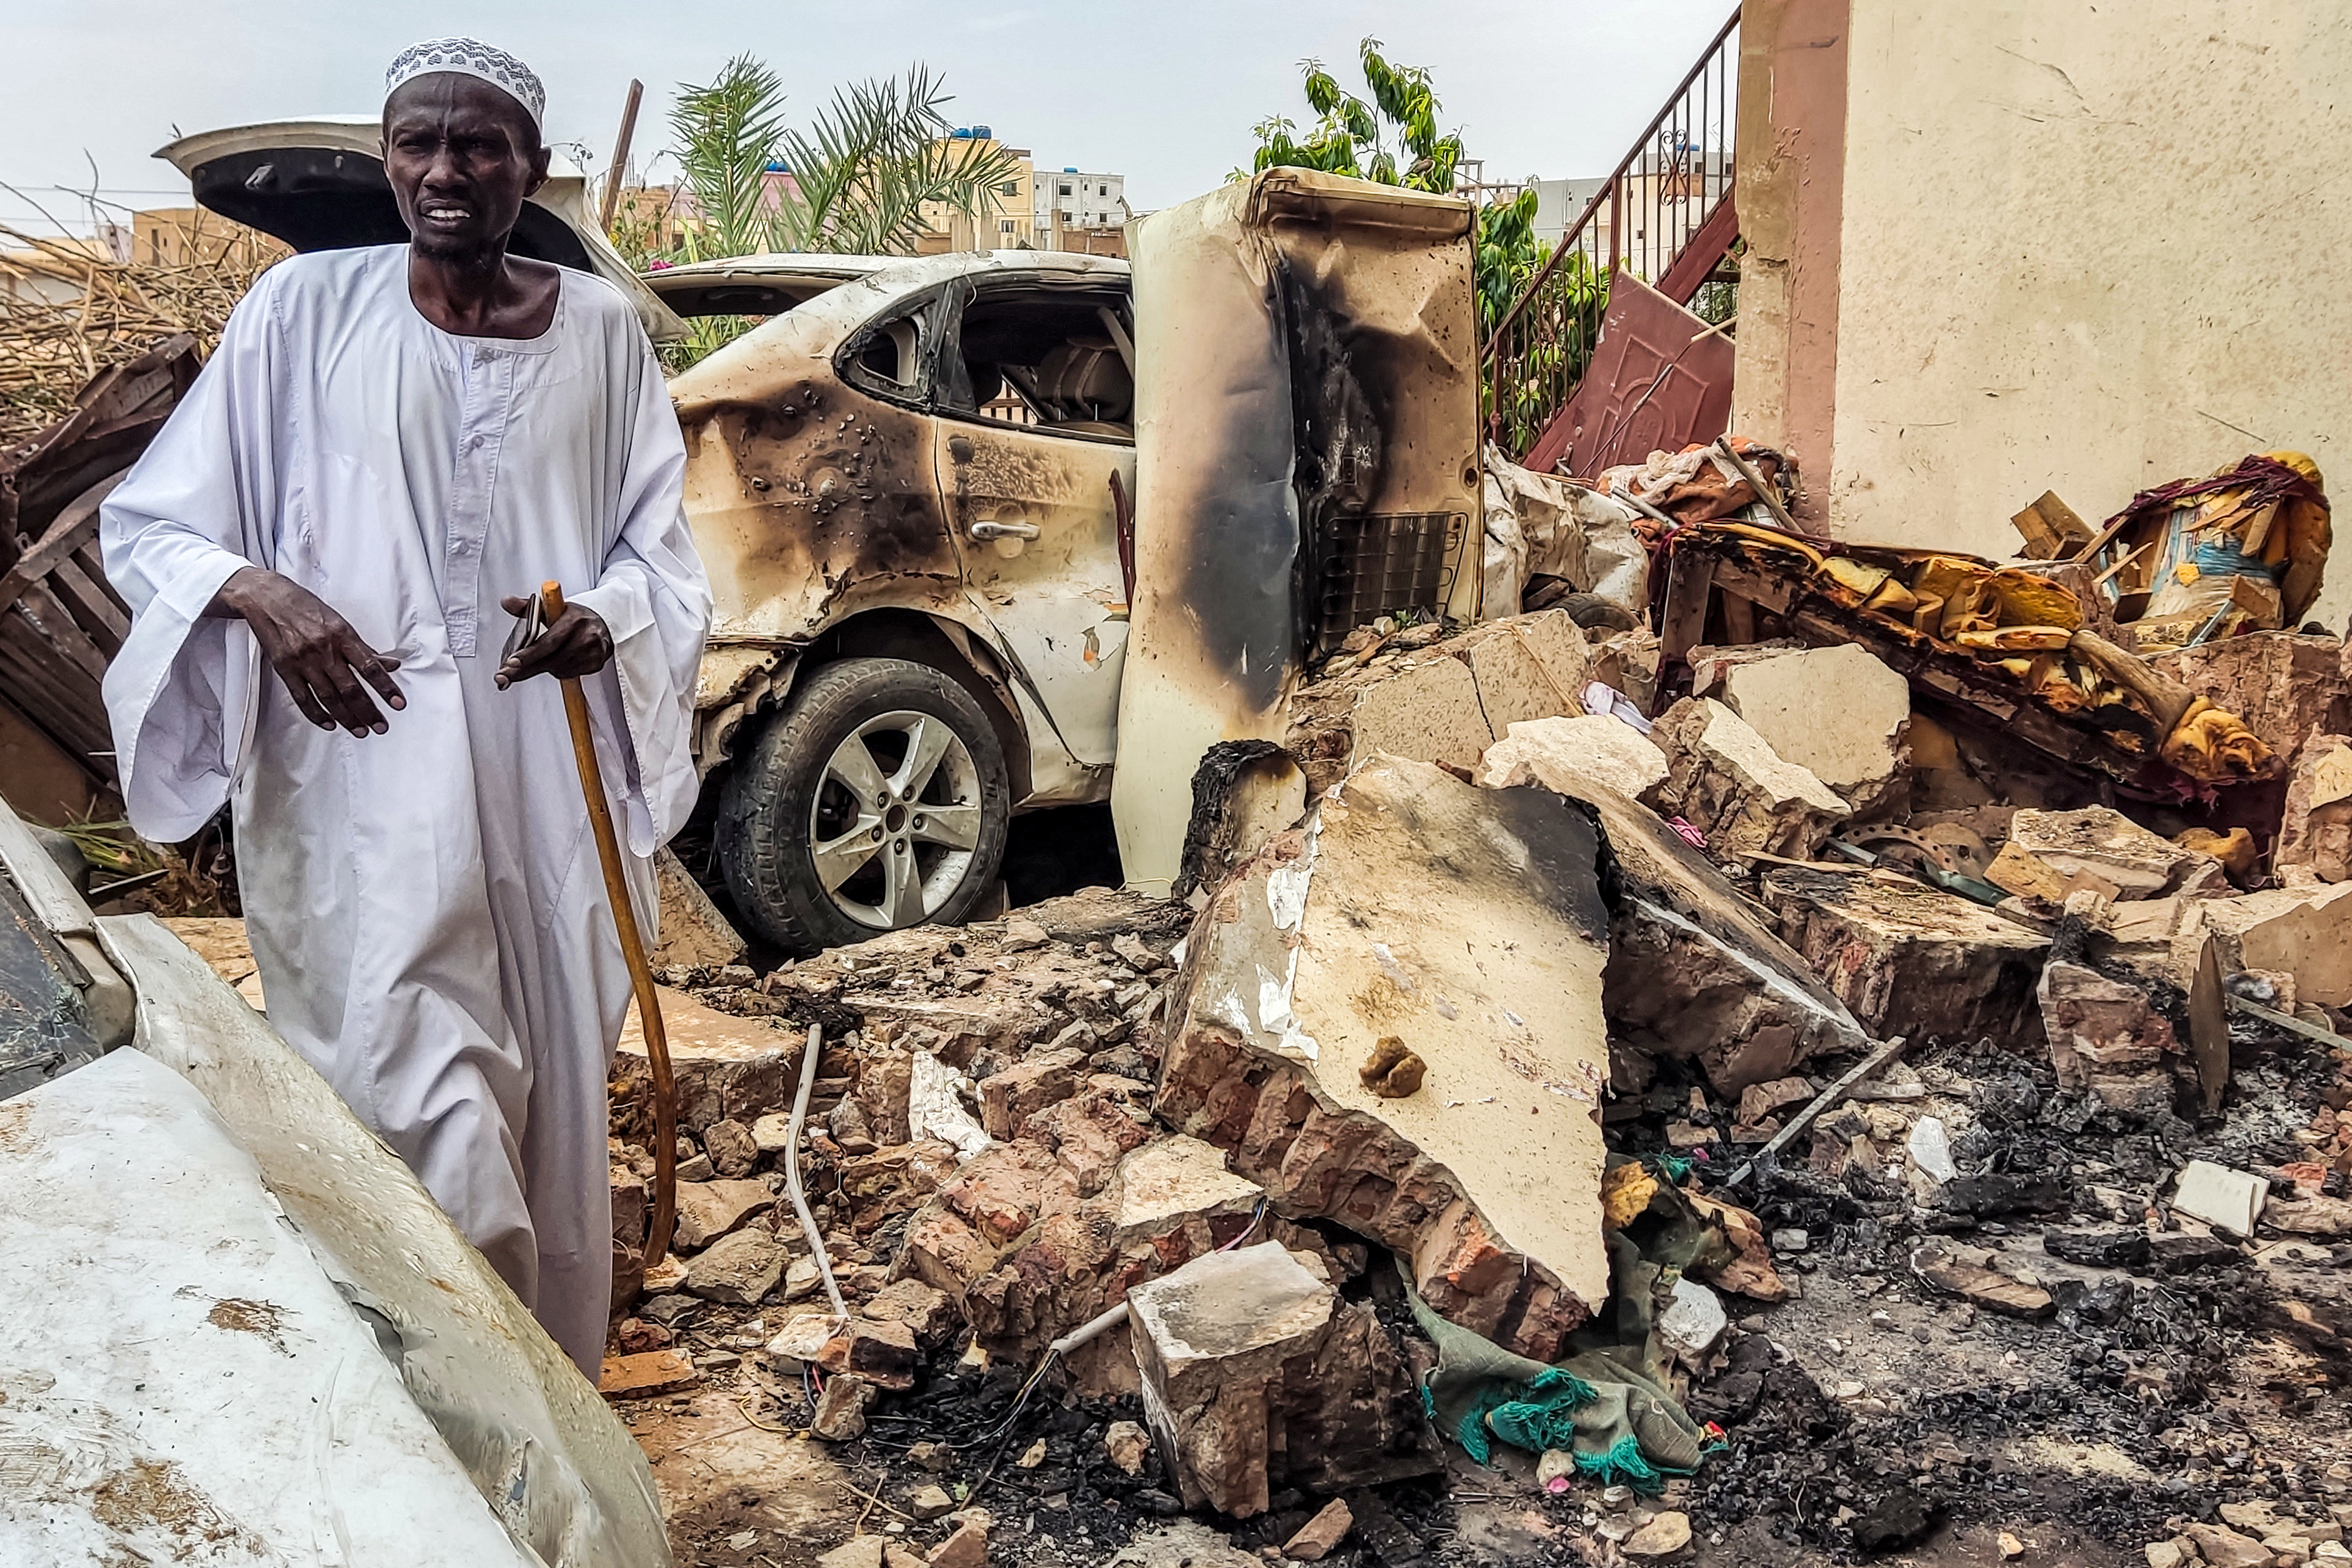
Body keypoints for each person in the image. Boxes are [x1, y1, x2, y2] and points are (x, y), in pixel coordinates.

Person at [100, 38, 711, 1377]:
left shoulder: (604, 332)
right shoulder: (302, 312)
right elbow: (151, 526)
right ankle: (436, 1402)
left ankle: (545, 1401)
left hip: (546, 779)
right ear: (387, 161)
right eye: (417, 144)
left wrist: (604, 619)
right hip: (355, 782)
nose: (443, 170)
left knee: (548, 1095)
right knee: (415, 1098)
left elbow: (657, 550)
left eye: (477, 144)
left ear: (529, 169)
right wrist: (264, 597)